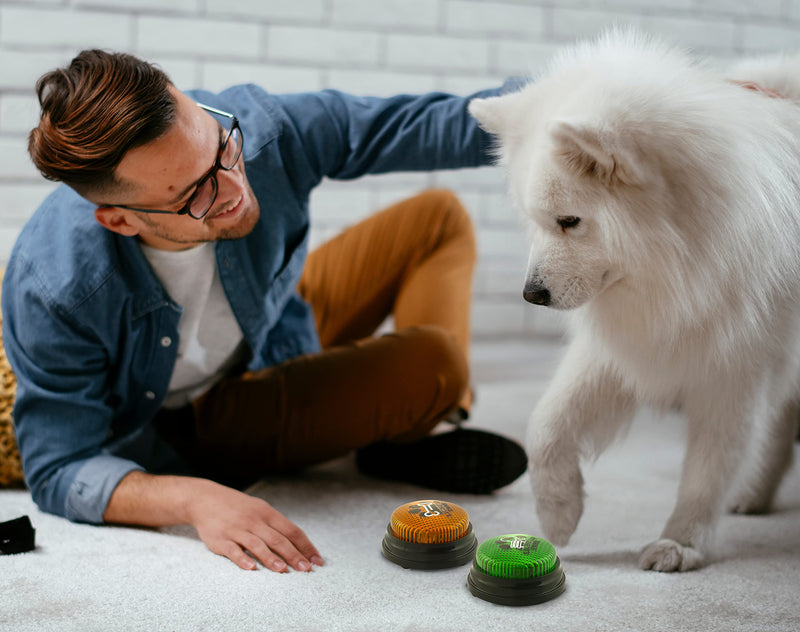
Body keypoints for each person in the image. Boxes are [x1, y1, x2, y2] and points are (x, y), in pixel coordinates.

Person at [1, 50, 527, 573]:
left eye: (219, 147)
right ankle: (399, 421)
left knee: (436, 218)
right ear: (119, 221)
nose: (235, 186)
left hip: (273, 330)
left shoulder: (254, 131)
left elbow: (425, 125)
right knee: (433, 363)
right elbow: (59, 468)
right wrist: (194, 499)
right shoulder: (55, 288)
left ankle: (419, 430)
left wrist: (568, 110)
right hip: (198, 416)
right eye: (194, 195)